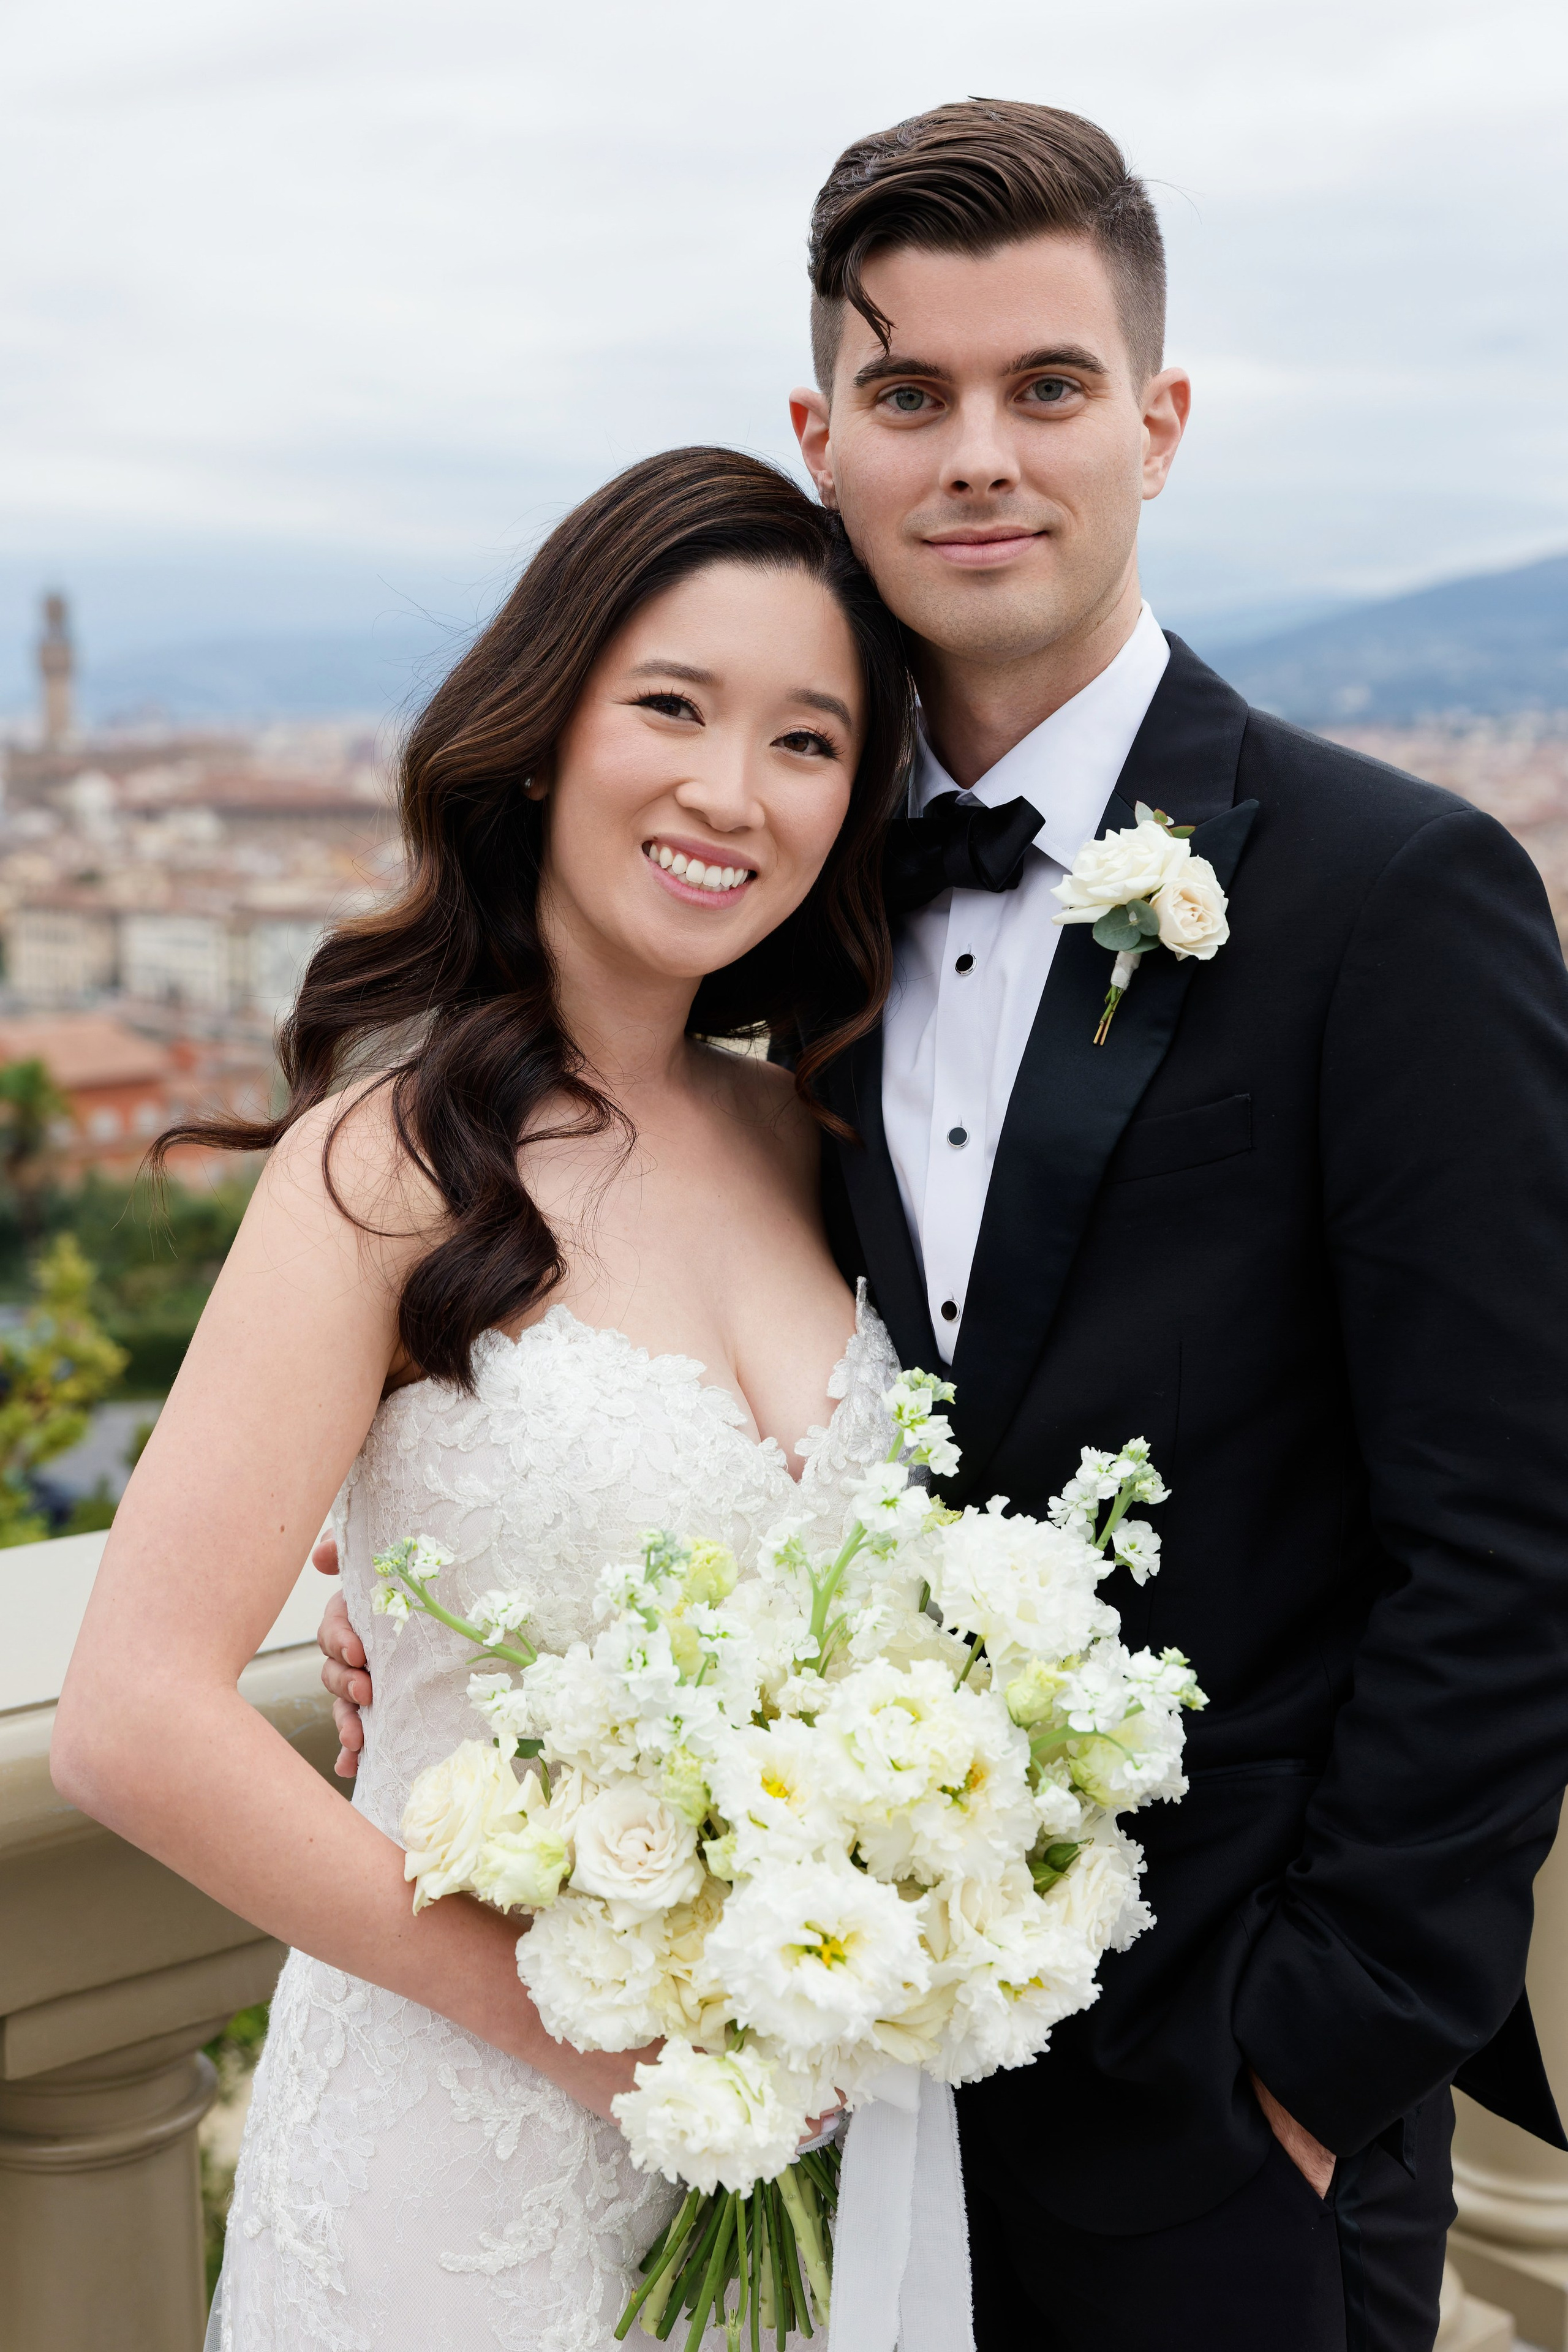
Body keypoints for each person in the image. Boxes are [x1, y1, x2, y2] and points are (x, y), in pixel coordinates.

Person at [312, 97, 1568, 2352]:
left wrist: (1316, 2058)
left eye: (1046, 387)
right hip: (813, 2093)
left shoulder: (1397, 899)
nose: (978, 452)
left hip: (1217, 2111)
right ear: (828, 438)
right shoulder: (772, 901)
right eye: (911, 395)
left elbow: (1514, 1531)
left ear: (1157, 425)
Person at [50, 446, 918, 2350]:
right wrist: (594, 2037)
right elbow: (127, 1716)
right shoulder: (386, 1165)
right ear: (545, 736)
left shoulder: (824, 1147)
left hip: (839, 2158)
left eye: (806, 741)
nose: (728, 790)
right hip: (462, 2157)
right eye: (671, 709)